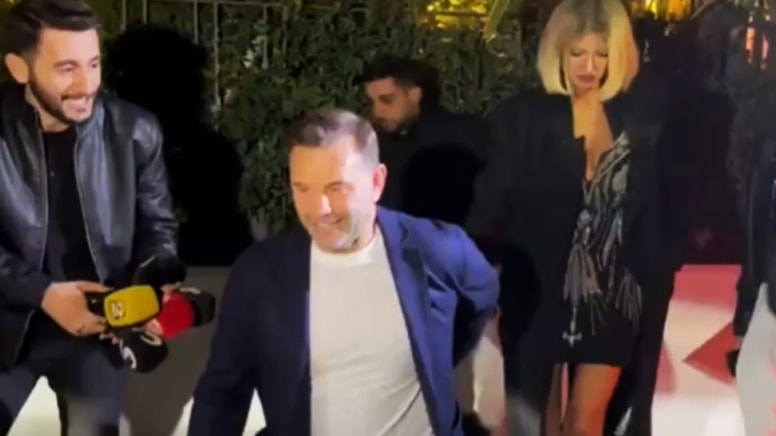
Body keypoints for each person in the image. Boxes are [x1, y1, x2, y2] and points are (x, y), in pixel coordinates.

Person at [188, 108, 499, 436]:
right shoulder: (260, 272)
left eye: (336, 188)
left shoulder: (438, 249)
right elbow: (223, 393)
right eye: (302, 189)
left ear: (376, 182)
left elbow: (480, 303)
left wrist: (437, 360)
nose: (319, 209)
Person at [466, 0, 677, 435]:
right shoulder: (521, 117)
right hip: (538, 288)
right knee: (532, 421)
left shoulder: (635, 120)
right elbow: (489, 205)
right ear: (557, 52)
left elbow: (648, 211)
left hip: (612, 292)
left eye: (601, 54)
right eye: (578, 53)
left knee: (587, 421)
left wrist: (654, 282)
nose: (589, 67)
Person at [0, 0, 178, 434]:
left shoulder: (136, 131)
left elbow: (158, 229)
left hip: (98, 330)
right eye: (67, 68)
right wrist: (43, 293)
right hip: (6, 320)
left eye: (93, 64)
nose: (87, 85)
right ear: (19, 69)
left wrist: (149, 288)